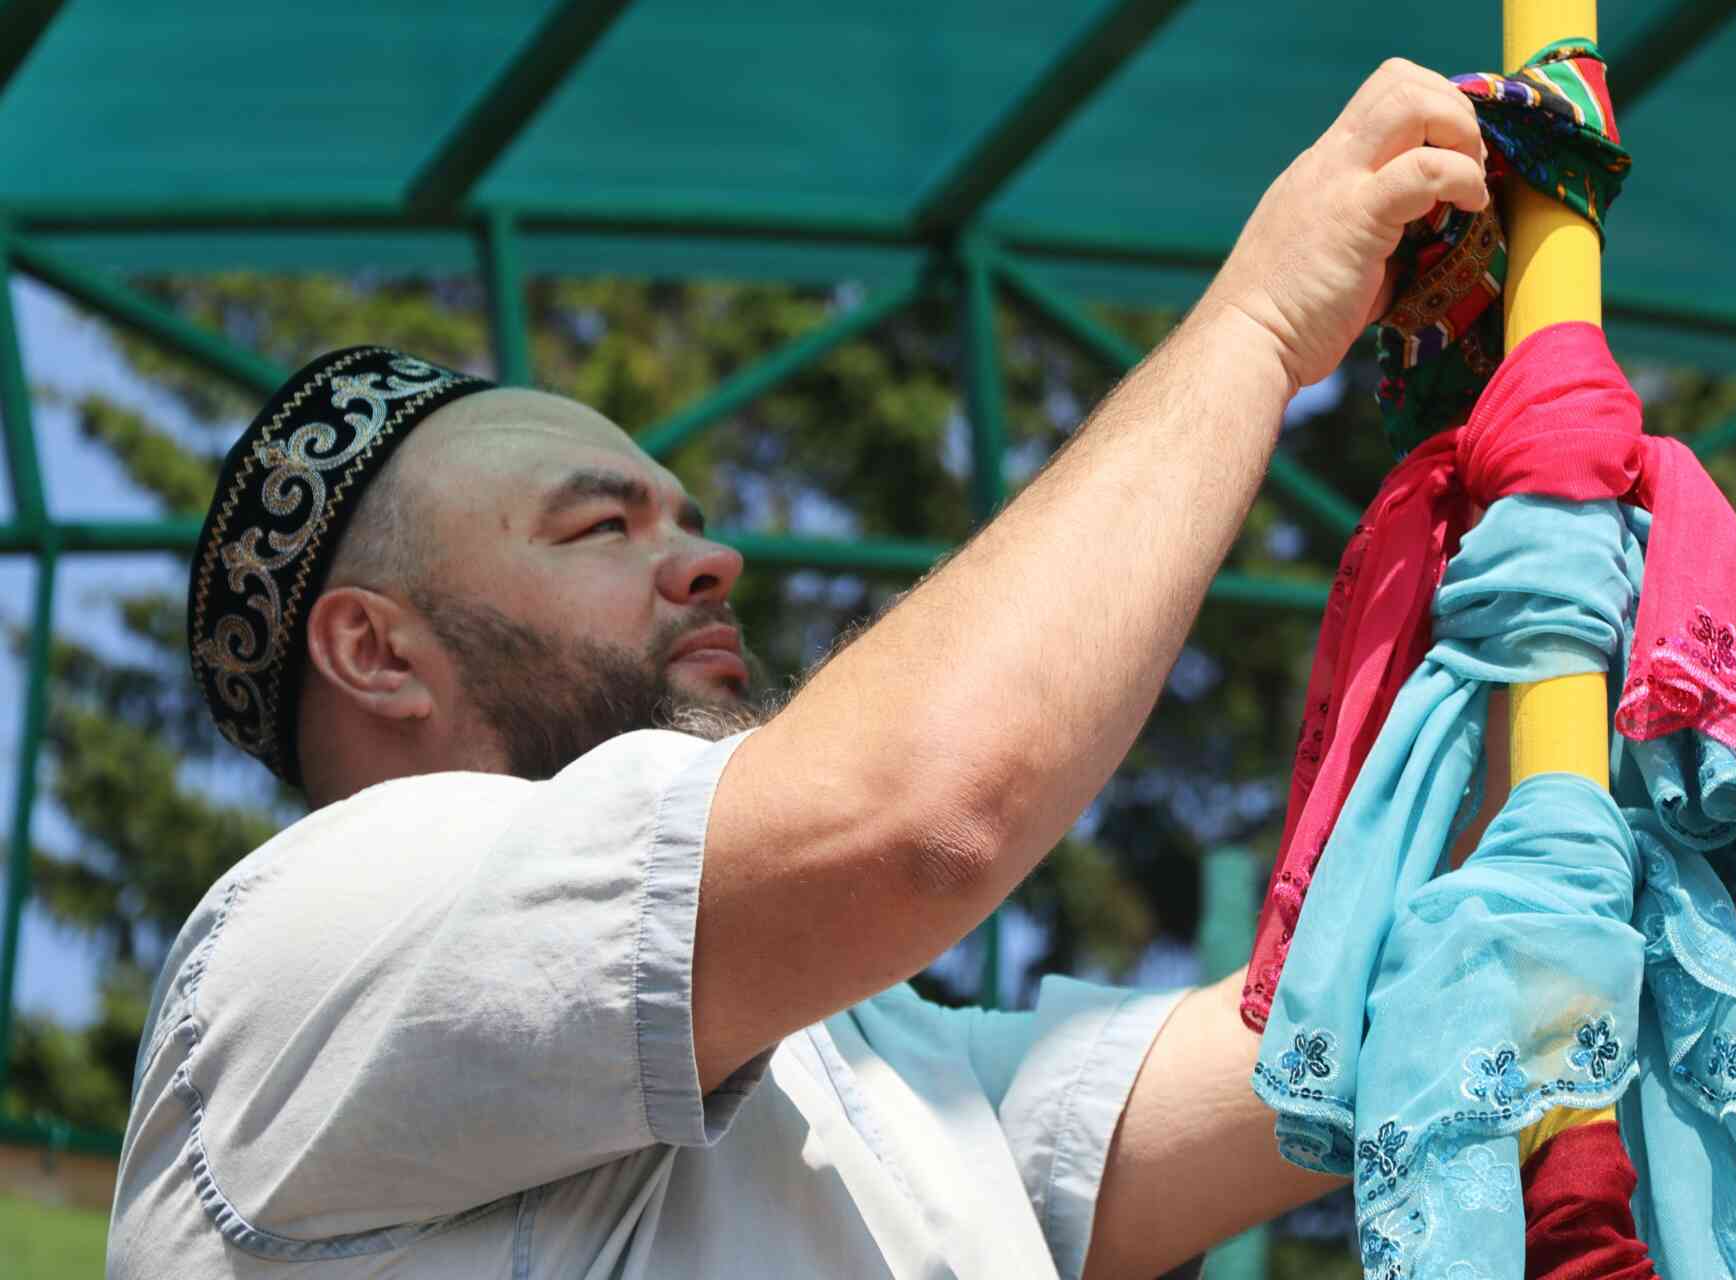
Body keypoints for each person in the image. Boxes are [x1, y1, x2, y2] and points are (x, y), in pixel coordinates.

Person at [107, 59, 1490, 1279]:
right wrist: (1259, 324)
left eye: (687, 520)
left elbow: (1310, 1049)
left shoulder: (866, 1060)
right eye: (600, 527)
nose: (712, 562)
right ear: (375, 653)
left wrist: (1535, 633)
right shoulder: (308, 938)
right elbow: (925, 810)